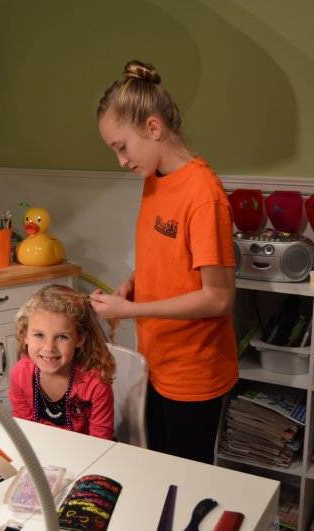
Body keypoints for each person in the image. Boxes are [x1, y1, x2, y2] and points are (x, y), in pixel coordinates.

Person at [89, 60, 238, 463]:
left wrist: (130, 310)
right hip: (155, 361)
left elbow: (218, 298)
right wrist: (132, 283)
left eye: (121, 147)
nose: (121, 161)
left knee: (185, 480)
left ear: (153, 128)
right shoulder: (156, 180)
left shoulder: (203, 195)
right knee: (157, 468)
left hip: (193, 372)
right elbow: (168, 259)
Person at [10, 284, 116, 440]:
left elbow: (101, 441)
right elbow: (24, 431)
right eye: (39, 335)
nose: (49, 347)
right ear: (24, 335)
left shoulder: (95, 384)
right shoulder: (20, 373)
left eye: (62, 337)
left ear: (79, 338)